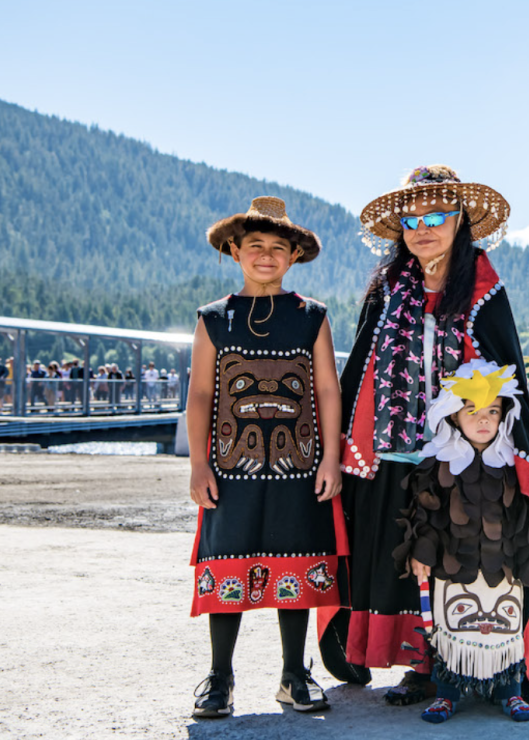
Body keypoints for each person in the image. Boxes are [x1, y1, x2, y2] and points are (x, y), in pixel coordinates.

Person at [322, 165, 529, 710]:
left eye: (436, 215)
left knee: (453, 554)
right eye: (411, 218)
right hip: (390, 449)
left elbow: (506, 375)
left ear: (460, 221)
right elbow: (362, 369)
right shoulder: (387, 289)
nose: (422, 227)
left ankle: (453, 662)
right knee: (402, 557)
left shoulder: (485, 291)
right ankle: (417, 664)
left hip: (460, 456)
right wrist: (341, 446)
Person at [186, 196, 346, 719]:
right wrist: (198, 463)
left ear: (294, 256)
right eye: (255, 246)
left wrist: (329, 459)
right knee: (225, 560)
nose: (266, 256)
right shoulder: (214, 319)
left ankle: (293, 674)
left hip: (300, 467)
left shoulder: (310, 317)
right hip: (230, 470)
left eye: (279, 248)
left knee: (296, 565)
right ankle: (219, 675)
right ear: (234, 251)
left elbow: (326, 389)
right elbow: (200, 396)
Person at [394, 359, 529, 723]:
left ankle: (509, 691)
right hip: (453, 566)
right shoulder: (437, 463)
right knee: (452, 630)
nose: (483, 420)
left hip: (504, 569)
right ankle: (447, 692)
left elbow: (526, 518)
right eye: (472, 411)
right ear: (454, 416)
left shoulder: (514, 466)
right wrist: (421, 551)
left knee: (505, 629)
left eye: (492, 411)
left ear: (504, 416)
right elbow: (424, 515)